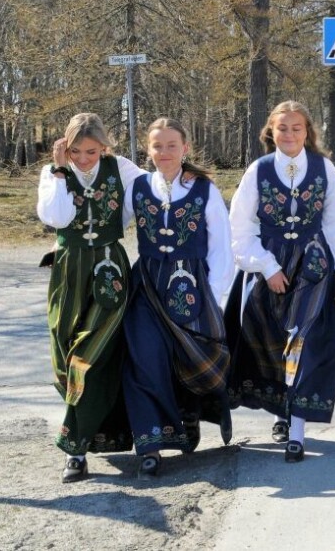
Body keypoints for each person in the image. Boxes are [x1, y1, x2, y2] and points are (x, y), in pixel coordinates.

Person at [226, 101, 335, 463]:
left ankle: (296, 428)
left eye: (297, 127)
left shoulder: (323, 168)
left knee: (308, 339)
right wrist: (266, 266)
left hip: (313, 264)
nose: (289, 134)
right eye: (282, 128)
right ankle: (283, 411)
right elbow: (240, 225)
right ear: (271, 131)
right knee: (269, 339)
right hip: (271, 262)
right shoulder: (259, 169)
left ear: (307, 131)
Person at [121, 118, 235, 478]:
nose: (164, 153)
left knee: (191, 357)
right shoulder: (138, 187)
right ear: (147, 149)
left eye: (172, 145)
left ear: (185, 148)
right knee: (144, 357)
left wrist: (213, 296)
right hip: (148, 286)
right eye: (157, 146)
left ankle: (190, 414)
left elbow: (221, 246)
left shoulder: (204, 190)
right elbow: (108, 225)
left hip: (193, 285)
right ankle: (150, 444)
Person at [36, 113, 145, 483]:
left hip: (110, 268)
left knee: (89, 356)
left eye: (92, 151)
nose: (84, 158)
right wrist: (59, 171)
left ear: (104, 147)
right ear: (65, 146)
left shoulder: (122, 169)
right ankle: (91, 432)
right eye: (76, 151)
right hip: (68, 270)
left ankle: (75, 451)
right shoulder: (54, 172)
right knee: (64, 357)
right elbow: (57, 218)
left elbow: (154, 194)